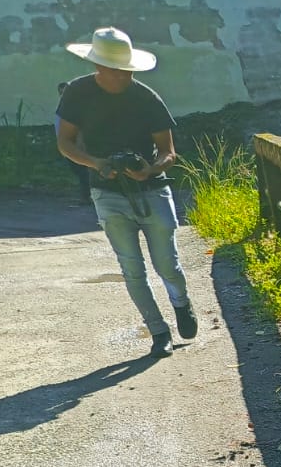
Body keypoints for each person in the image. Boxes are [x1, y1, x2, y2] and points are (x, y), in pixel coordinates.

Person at [56, 27, 196, 358]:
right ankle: (158, 332)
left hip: (152, 190)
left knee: (168, 264)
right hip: (107, 192)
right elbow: (65, 143)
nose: (122, 76)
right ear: (98, 66)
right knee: (132, 269)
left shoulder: (146, 97)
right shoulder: (77, 93)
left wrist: (150, 169)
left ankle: (181, 303)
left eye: (126, 70)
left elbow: (169, 152)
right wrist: (96, 163)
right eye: (114, 69)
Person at [55, 82, 93, 205]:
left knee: (82, 172)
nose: (63, 95)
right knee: (79, 171)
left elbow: (80, 129)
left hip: (76, 145)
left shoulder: (75, 108)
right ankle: (87, 195)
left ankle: (88, 196)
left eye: (65, 92)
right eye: (61, 92)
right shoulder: (62, 108)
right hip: (66, 145)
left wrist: (80, 145)